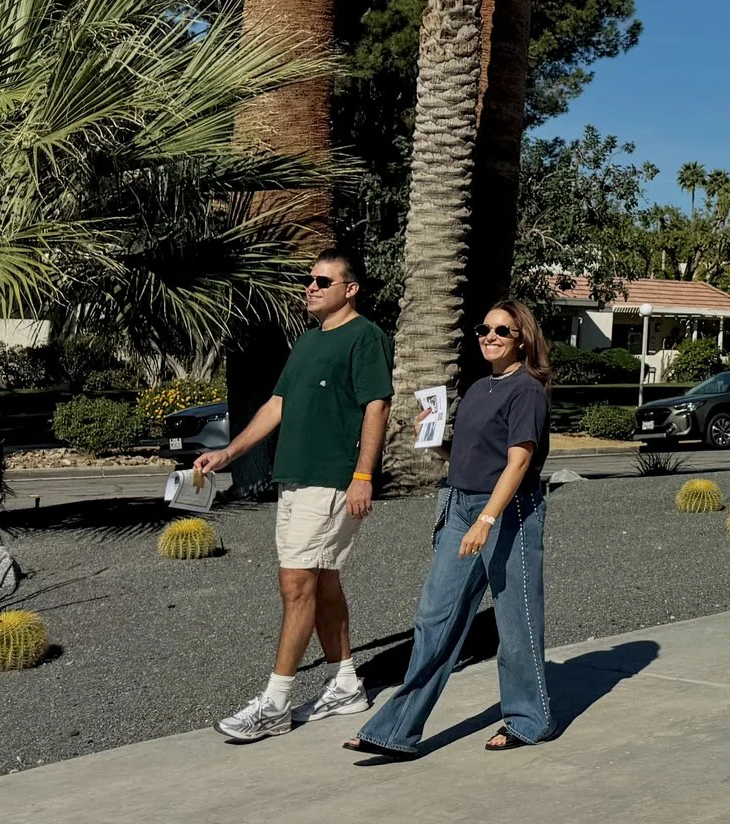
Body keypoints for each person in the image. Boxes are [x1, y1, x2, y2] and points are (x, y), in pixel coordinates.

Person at [196, 248, 391, 743]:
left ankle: (275, 703)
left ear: (350, 290)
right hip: (296, 479)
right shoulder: (307, 342)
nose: (312, 287)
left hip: (332, 479)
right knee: (321, 581)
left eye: (323, 281)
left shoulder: (365, 337)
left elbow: (376, 407)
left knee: (297, 584)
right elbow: (276, 404)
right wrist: (229, 452)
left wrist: (363, 475)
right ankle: (345, 685)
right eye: (310, 280)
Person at [345, 299, 553, 757]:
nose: (490, 337)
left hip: (508, 512)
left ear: (522, 339)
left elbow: (518, 463)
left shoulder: (527, 391)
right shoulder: (479, 388)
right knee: (433, 618)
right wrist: (433, 440)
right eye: (484, 329)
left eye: (502, 331)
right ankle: (396, 731)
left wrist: (487, 520)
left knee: (516, 622)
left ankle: (529, 720)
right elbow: (464, 455)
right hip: (460, 505)